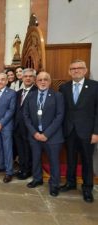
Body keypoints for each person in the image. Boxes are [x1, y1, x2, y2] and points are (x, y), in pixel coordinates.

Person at [59, 59, 98, 203]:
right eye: (73, 68)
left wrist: (96, 132)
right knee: (70, 159)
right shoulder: (64, 87)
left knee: (87, 161)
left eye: (79, 68)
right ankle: (70, 182)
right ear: (69, 71)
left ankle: (87, 188)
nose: (76, 70)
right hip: (69, 131)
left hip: (88, 132)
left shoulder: (95, 87)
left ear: (85, 70)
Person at [23, 72, 64, 197]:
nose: (42, 82)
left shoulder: (57, 96)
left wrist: (46, 133)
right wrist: (34, 132)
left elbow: (59, 116)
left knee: (54, 161)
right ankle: (37, 179)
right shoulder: (31, 96)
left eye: (45, 79)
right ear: (36, 82)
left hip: (52, 136)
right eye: (40, 79)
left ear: (50, 82)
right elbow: (26, 116)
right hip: (34, 135)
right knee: (36, 158)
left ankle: (54, 184)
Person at [14, 68, 37, 180]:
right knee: (21, 149)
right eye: (25, 76)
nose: (27, 78)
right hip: (18, 127)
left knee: (28, 149)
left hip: (29, 127)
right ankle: (22, 167)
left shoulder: (37, 92)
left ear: (34, 78)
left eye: (30, 76)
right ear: (22, 78)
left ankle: (28, 170)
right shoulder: (18, 93)